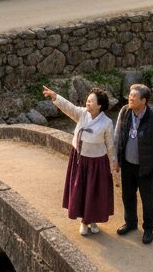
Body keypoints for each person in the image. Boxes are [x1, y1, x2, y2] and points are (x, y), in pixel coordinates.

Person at [42, 84, 117, 236]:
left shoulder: (107, 123)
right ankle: (84, 221)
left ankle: (93, 220)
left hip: (97, 162)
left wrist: (113, 162)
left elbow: (110, 144)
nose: (87, 103)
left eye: (91, 101)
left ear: (99, 105)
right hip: (80, 160)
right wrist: (55, 96)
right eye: (87, 100)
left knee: (94, 193)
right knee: (81, 191)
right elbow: (68, 107)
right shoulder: (82, 114)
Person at [113, 83, 153, 244]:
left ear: (144, 100)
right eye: (130, 95)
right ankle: (130, 223)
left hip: (146, 167)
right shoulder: (124, 112)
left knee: (147, 199)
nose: (130, 98)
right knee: (127, 196)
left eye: (134, 97)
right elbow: (117, 136)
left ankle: (148, 228)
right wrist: (115, 160)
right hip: (127, 164)